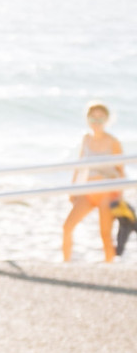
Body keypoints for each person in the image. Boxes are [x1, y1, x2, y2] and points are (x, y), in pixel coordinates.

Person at [63, 101, 125, 262]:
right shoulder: (86, 139)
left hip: (106, 193)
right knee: (67, 227)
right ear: (88, 119)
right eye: (93, 118)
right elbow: (79, 165)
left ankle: (110, 268)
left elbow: (121, 172)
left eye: (100, 119)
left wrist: (119, 197)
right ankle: (66, 264)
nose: (96, 123)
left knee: (105, 234)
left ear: (107, 120)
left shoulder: (113, 142)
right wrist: (73, 189)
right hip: (88, 191)